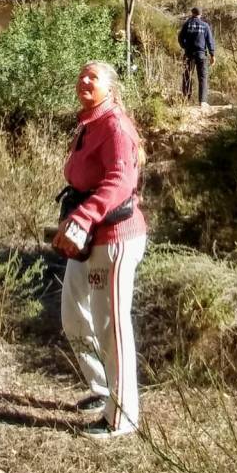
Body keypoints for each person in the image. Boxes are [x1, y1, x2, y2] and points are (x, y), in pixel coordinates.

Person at [52, 61, 147, 439]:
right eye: (81, 75)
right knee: (74, 315)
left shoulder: (114, 125)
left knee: (111, 326)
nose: (84, 80)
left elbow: (121, 180)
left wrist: (84, 215)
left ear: (110, 87)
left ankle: (122, 417)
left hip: (115, 237)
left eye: (93, 76)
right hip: (89, 236)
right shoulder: (90, 123)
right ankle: (103, 388)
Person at [178, 6, 215, 107]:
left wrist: (185, 47)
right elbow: (210, 41)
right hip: (201, 54)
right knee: (202, 77)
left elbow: (180, 38)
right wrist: (212, 54)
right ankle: (202, 101)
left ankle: (185, 100)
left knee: (187, 76)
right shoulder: (205, 26)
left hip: (189, 54)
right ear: (200, 14)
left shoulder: (187, 24)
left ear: (192, 13)